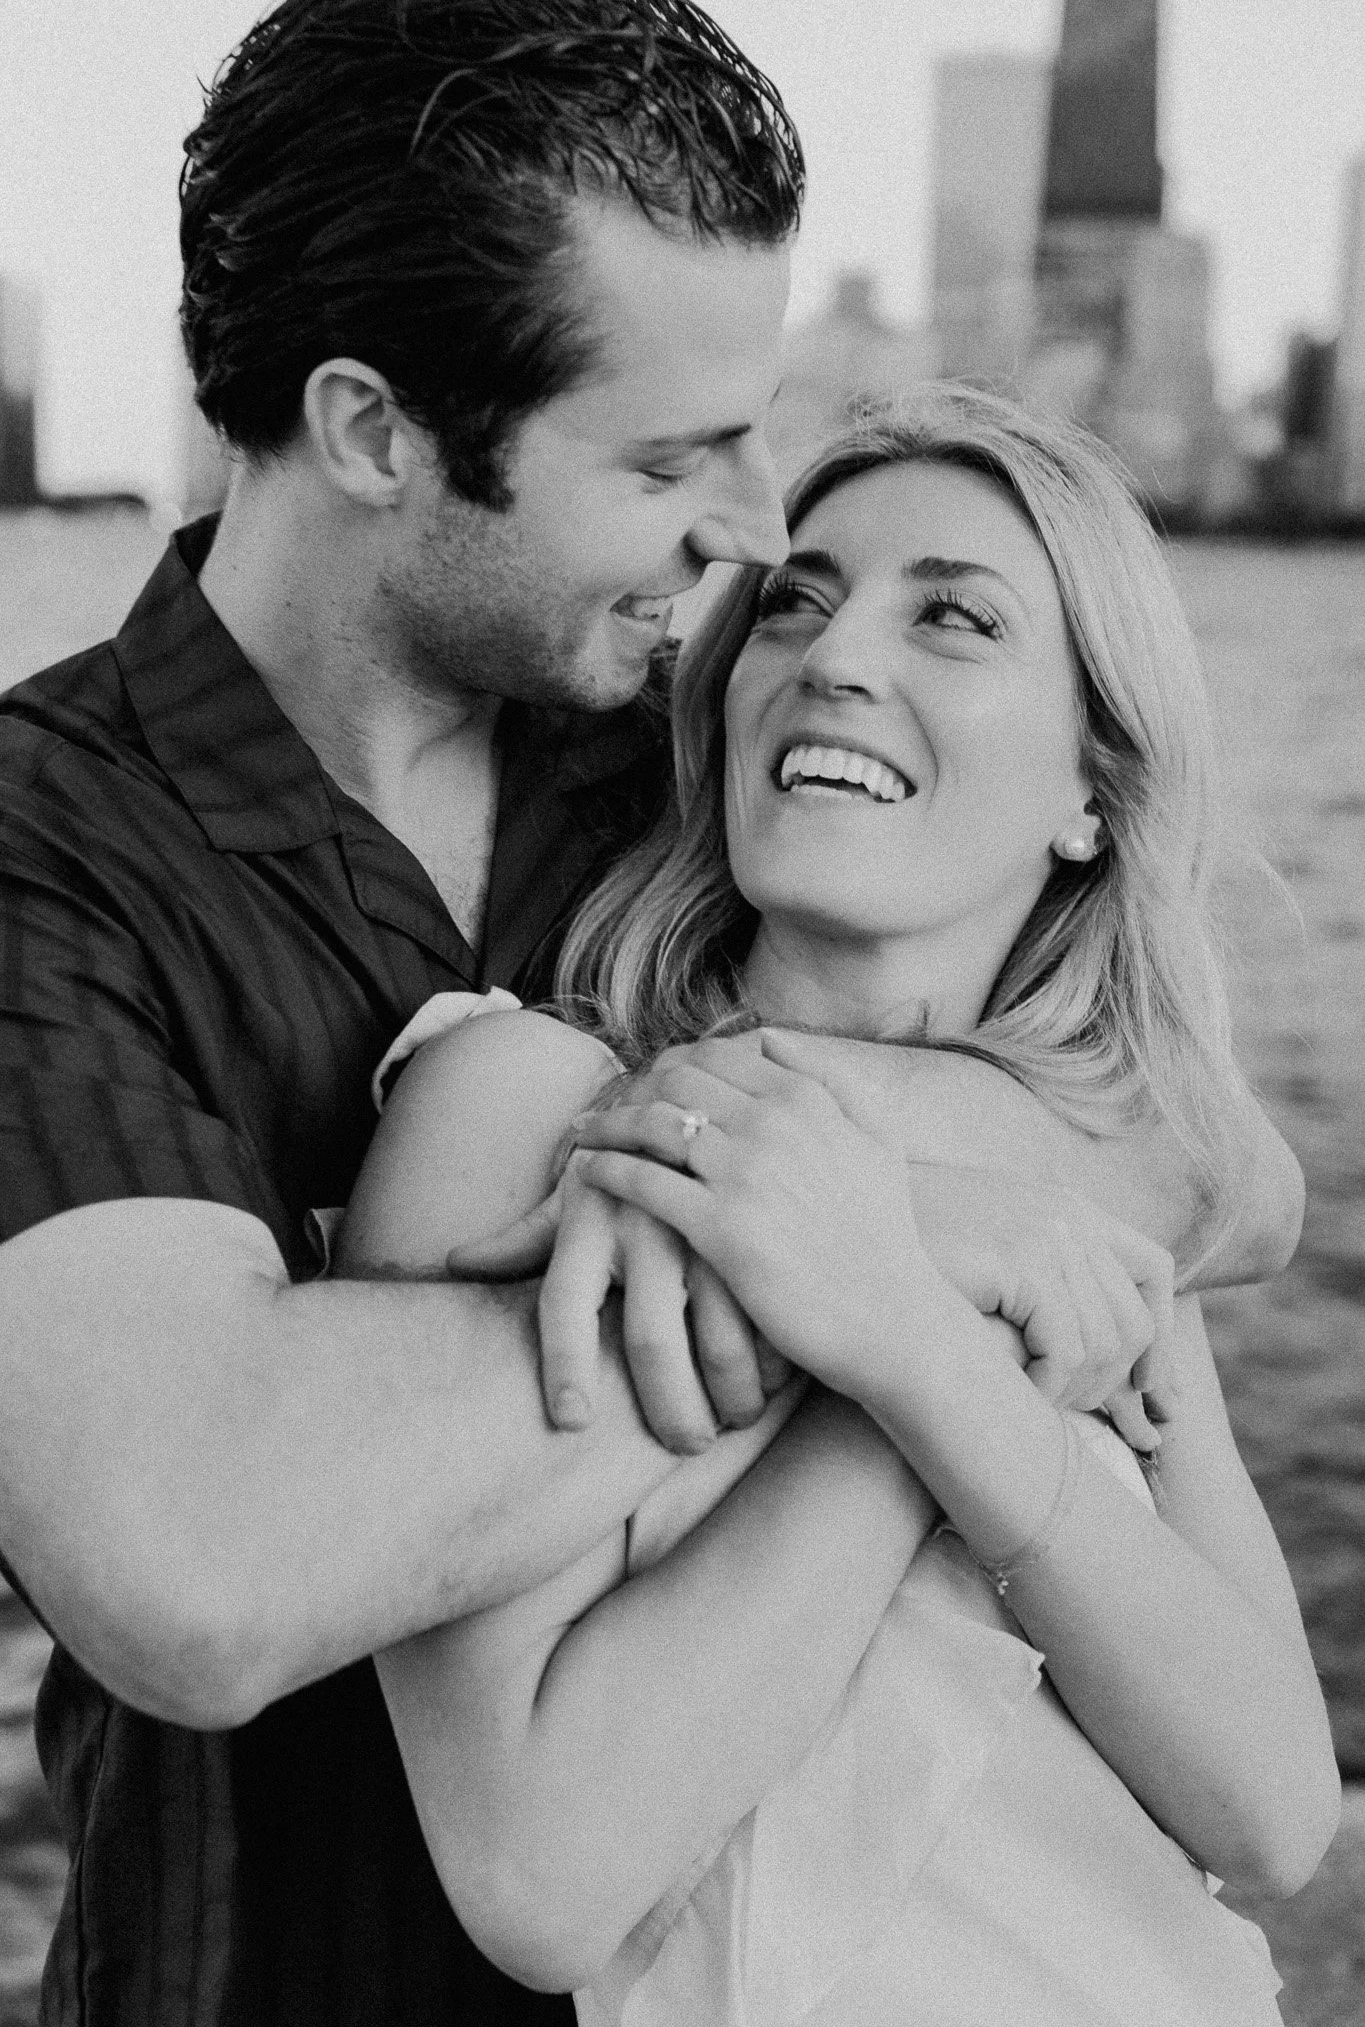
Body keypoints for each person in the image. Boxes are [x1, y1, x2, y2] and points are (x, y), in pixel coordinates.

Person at [0, 0, 1297, 2024]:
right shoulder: (44, 856)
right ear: (376, 433)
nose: (756, 531)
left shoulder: (696, 769)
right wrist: (871, 1257)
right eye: (672, 452)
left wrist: (820, 1205)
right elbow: (195, 1564)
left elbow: (1191, 1147)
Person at [338, 389, 1339, 2024]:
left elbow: (1274, 1811)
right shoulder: (521, 1109)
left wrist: (925, 1343)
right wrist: (909, 1331)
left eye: (954, 617)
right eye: (794, 604)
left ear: (1091, 792)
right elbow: (542, 1876)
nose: (833, 657)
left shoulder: (1071, 1184)